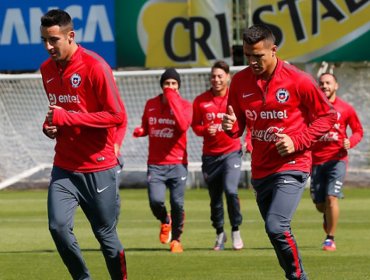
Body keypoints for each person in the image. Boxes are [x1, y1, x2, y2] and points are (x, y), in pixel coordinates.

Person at [222, 24, 337, 280]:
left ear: (273, 50)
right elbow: (237, 125)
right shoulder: (239, 82)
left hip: (293, 164)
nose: (252, 61)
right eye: (247, 55)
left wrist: (298, 140)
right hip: (261, 169)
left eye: (258, 55)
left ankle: (299, 278)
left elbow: (328, 115)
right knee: (274, 232)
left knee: (276, 226)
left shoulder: (298, 80)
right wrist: (230, 127)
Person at [40, 9, 128, 280]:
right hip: (65, 167)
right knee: (58, 227)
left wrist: (66, 118)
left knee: (106, 237)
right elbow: (58, 114)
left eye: (53, 40)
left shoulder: (96, 66)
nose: (48, 46)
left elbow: (116, 116)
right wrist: (50, 127)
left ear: (71, 36)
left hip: (98, 167)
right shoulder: (46, 70)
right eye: (44, 39)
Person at [132, 68, 192, 253]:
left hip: (178, 163)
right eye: (167, 83)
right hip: (156, 164)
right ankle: (165, 221)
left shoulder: (185, 105)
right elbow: (146, 126)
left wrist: (173, 101)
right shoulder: (151, 104)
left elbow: (182, 126)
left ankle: (177, 240)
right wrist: (141, 131)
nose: (170, 87)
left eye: (174, 84)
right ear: (161, 85)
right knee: (155, 201)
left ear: (179, 86)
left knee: (177, 203)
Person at [191, 60, 244, 251]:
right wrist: (206, 129)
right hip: (210, 157)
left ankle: (236, 229)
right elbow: (195, 126)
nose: (216, 79)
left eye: (220, 76)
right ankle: (220, 233)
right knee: (215, 198)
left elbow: (247, 120)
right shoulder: (200, 100)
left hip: (232, 152)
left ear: (228, 77)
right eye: (213, 76)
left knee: (231, 190)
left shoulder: (236, 97)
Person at [310, 73, 363, 251]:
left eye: (328, 83)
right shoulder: (313, 109)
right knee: (320, 204)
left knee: (332, 197)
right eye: (322, 83)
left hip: (337, 159)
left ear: (336, 86)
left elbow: (358, 131)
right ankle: (327, 215)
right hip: (316, 161)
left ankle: (330, 238)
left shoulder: (346, 109)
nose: (325, 86)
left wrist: (351, 142)